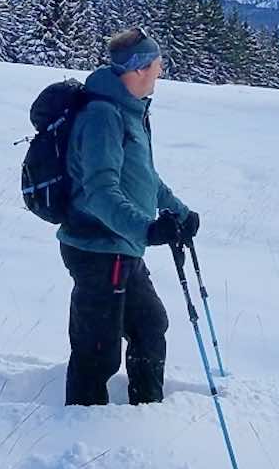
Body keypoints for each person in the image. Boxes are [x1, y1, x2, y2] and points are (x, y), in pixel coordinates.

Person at [59, 27, 202, 406]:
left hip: (121, 246)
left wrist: (180, 214)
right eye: (158, 64)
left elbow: (143, 177)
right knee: (97, 351)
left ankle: (145, 413)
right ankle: (81, 431)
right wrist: (147, 229)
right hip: (95, 248)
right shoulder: (103, 116)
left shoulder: (130, 110)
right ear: (138, 68)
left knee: (150, 325)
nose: (161, 71)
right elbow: (100, 191)